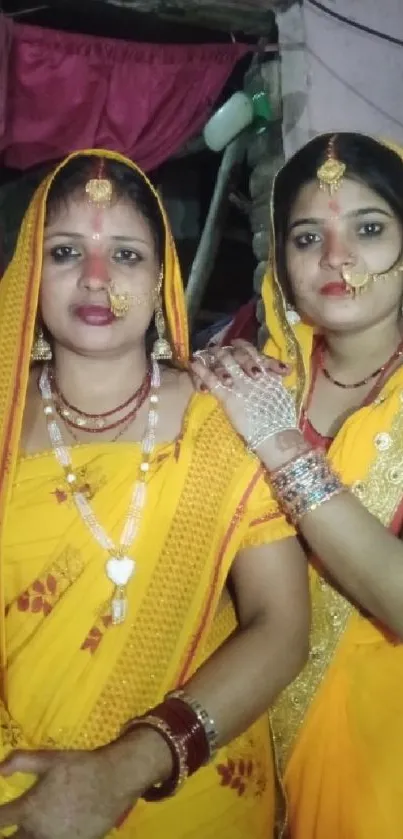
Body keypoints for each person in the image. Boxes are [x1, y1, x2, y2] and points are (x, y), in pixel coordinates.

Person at [0, 149, 309, 839]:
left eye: (127, 256)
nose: (97, 278)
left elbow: (281, 625)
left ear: (160, 272)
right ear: (29, 275)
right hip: (19, 790)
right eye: (66, 250)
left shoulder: (220, 417)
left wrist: (124, 765)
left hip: (187, 793)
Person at [191, 133, 403, 839]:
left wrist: (282, 446)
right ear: (279, 260)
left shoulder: (264, 406)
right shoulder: (255, 370)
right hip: (242, 757)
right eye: (307, 236)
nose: (335, 259)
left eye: (368, 230)